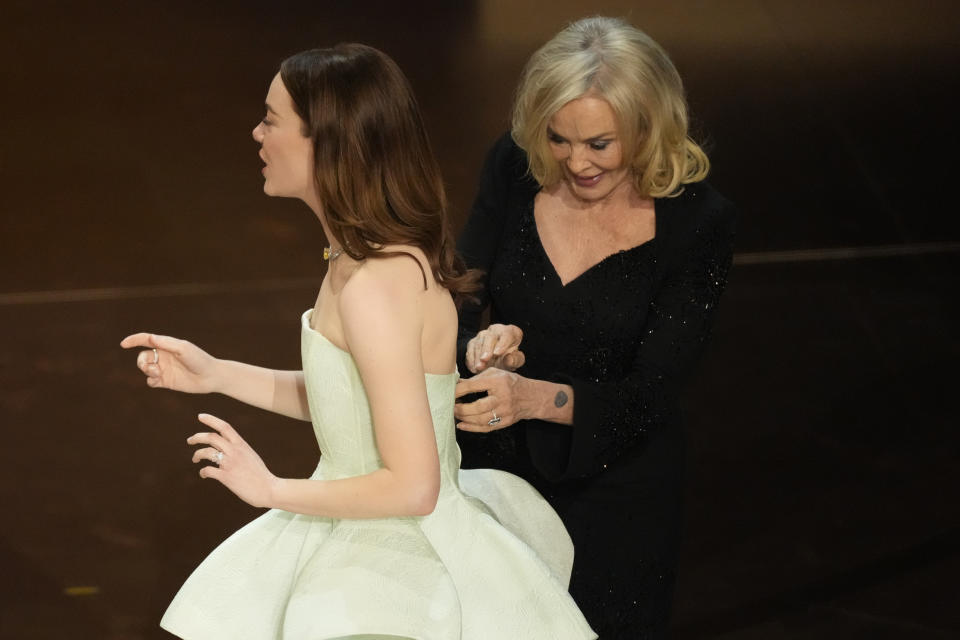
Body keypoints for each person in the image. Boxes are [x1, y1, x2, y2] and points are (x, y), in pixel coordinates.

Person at [121, 43, 596, 640]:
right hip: (371, 533)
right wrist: (216, 373)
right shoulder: (360, 260)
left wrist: (270, 488)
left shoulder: (375, 285)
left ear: (326, 142)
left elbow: (414, 486)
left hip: (394, 569)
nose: (256, 133)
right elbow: (348, 403)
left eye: (271, 119)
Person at [453, 16, 737, 638]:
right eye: (559, 139)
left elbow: (652, 395)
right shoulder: (513, 163)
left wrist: (532, 399)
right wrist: (477, 346)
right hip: (498, 469)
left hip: (616, 489)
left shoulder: (698, 223)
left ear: (647, 126)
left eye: (599, 145)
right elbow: (462, 288)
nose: (575, 162)